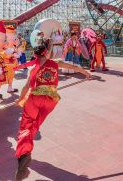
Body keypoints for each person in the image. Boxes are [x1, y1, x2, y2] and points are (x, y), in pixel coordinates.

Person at [15, 45, 91, 180]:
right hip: (50, 100)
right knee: (35, 125)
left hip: (34, 98)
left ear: (35, 55)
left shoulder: (33, 69)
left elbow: (26, 87)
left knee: (26, 125)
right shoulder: (55, 63)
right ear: (47, 53)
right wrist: (87, 74)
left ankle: (24, 153)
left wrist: (20, 100)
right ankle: (25, 150)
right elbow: (74, 67)